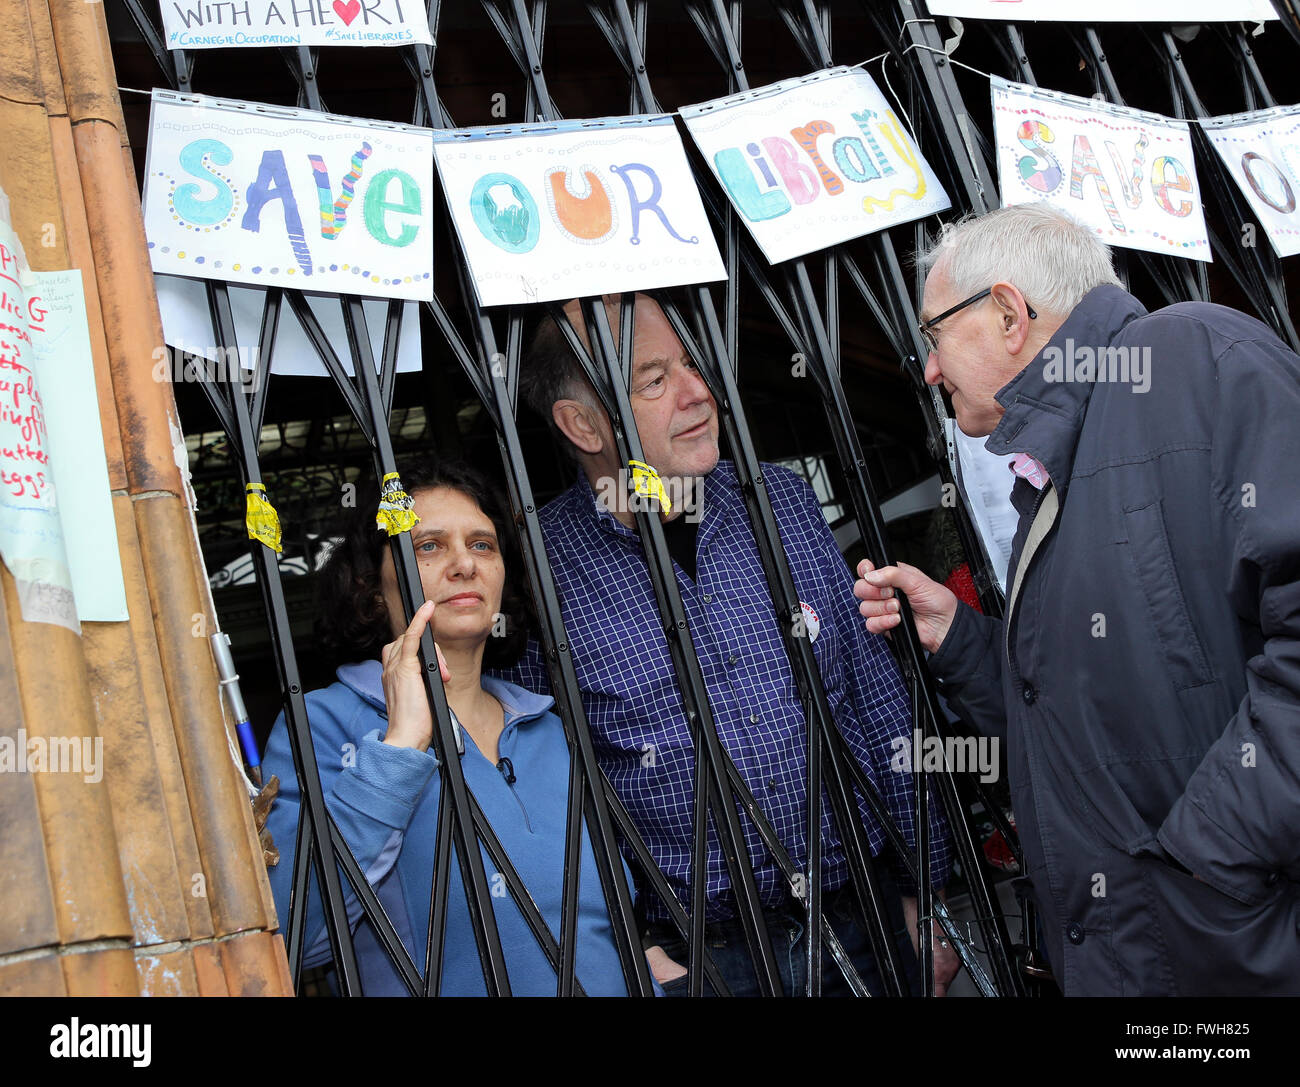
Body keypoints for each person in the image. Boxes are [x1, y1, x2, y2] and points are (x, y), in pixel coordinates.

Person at [855, 202, 1300, 996]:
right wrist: (960, 637)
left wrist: (1203, 863)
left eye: (934, 336)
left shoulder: (1197, 357)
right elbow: (1069, 706)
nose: (927, 369)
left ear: (1007, 312)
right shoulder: (1061, 462)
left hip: (1231, 957)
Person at [501, 293, 959, 997]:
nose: (698, 392)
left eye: (692, 362)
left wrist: (927, 889)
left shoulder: (778, 501)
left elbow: (877, 697)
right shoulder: (541, 569)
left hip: (861, 919)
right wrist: (628, 941)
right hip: (706, 963)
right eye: (654, 379)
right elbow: (546, 782)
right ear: (581, 423)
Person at [261, 458, 674, 995]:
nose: (464, 564)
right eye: (428, 546)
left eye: (483, 544)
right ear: (369, 585)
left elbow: (607, 919)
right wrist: (400, 746)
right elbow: (295, 939)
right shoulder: (320, 722)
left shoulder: (547, 727)